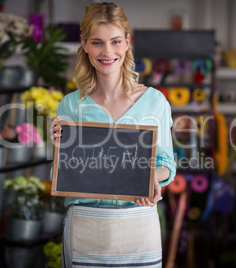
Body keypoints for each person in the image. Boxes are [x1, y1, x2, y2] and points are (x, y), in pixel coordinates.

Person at [49, 2, 176, 267]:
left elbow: (166, 164)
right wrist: (58, 149)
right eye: (97, 42)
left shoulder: (155, 101)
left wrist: (152, 177)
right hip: (85, 227)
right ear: (84, 44)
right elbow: (60, 177)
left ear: (127, 42)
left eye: (115, 41)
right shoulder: (70, 105)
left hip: (140, 224)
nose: (107, 52)